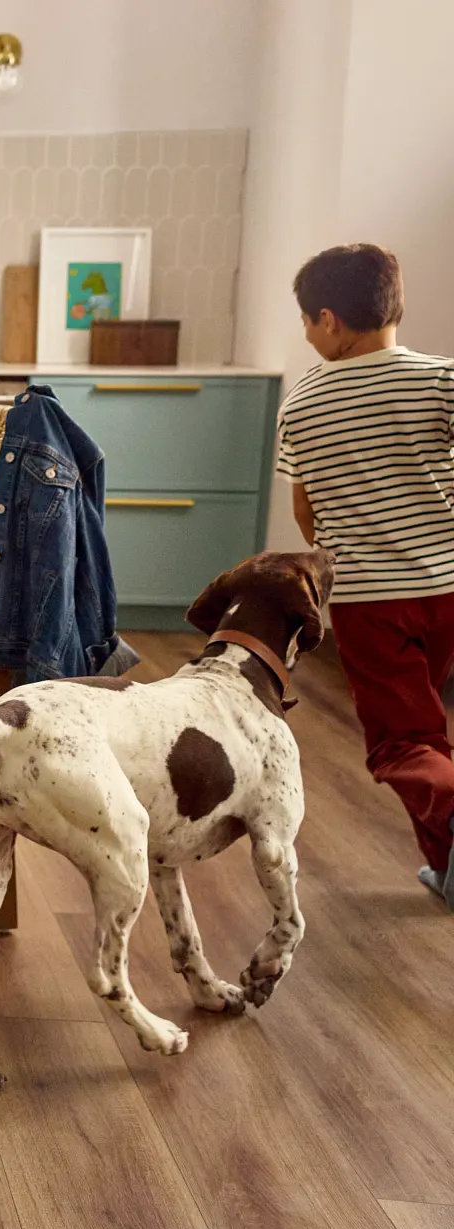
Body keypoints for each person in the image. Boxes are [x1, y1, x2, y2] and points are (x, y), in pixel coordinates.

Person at [278, 243, 454, 905]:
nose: (304, 332)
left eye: (304, 319)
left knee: (401, 742)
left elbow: (305, 510)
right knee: (425, 729)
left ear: (329, 320)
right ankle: (445, 869)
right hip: (446, 588)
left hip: (370, 602)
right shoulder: (442, 379)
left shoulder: (303, 405)